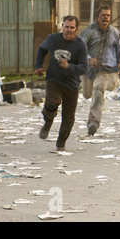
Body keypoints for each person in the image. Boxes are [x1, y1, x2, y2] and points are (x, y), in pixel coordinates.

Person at [35, 15, 88, 151]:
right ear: (62, 26)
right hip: (54, 79)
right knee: (51, 103)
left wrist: (69, 67)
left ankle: (61, 143)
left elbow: (84, 67)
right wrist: (39, 66)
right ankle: (47, 123)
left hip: (71, 84)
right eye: (66, 27)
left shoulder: (80, 45)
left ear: (76, 29)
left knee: (69, 118)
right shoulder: (52, 39)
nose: (68, 30)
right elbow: (41, 49)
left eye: (72, 28)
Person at [79, 5, 120, 136]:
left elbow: (119, 48)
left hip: (105, 68)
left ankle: (93, 123)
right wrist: (88, 59)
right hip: (88, 69)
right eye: (103, 15)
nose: (106, 18)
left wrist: (119, 63)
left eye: (108, 16)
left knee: (99, 91)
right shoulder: (89, 30)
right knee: (87, 94)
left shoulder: (115, 32)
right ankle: (91, 94)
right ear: (98, 16)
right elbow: (80, 47)